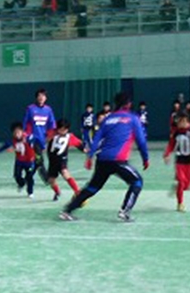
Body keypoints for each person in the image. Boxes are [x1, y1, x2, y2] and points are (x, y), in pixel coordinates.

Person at [59, 91, 149, 222]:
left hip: (102, 160)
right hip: (119, 161)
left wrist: (89, 157)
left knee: (92, 187)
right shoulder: (133, 118)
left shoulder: (108, 119)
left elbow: (96, 139)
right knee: (137, 182)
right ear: (129, 104)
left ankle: (67, 211)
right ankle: (125, 211)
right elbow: (141, 141)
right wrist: (145, 158)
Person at [163, 112, 190, 212]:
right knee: (181, 182)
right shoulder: (176, 132)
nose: (178, 124)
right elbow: (171, 144)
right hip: (180, 160)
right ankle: (180, 203)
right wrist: (167, 154)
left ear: (186, 121)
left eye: (180, 121)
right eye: (178, 121)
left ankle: (178, 187)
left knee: (187, 185)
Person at [0, 122, 37, 199]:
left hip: (30, 161)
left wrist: (29, 140)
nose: (17, 134)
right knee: (17, 175)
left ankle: (30, 192)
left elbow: (34, 140)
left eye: (18, 132)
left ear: (22, 131)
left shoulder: (28, 138)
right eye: (15, 133)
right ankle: (21, 184)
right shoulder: (12, 140)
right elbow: (5, 145)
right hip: (19, 161)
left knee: (29, 177)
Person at [47, 119, 85, 202]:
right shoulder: (52, 134)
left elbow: (79, 144)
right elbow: (46, 138)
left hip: (62, 160)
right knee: (51, 180)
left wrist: (85, 150)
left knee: (65, 173)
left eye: (65, 129)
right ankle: (57, 192)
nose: (62, 131)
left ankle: (77, 192)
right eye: (60, 129)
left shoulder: (70, 137)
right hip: (52, 161)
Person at [23, 88, 56, 184]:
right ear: (36, 97)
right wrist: (26, 135)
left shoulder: (48, 110)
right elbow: (26, 123)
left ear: (46, 98)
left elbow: (51, 124)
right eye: (39, 96)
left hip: (43, 139)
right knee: (39, 159)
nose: (41, 98)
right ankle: (46, 179)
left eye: (43, 96)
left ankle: (27, 178)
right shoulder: (30, 108)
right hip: (33, 139)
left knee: (36, 161)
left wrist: (50, 136)